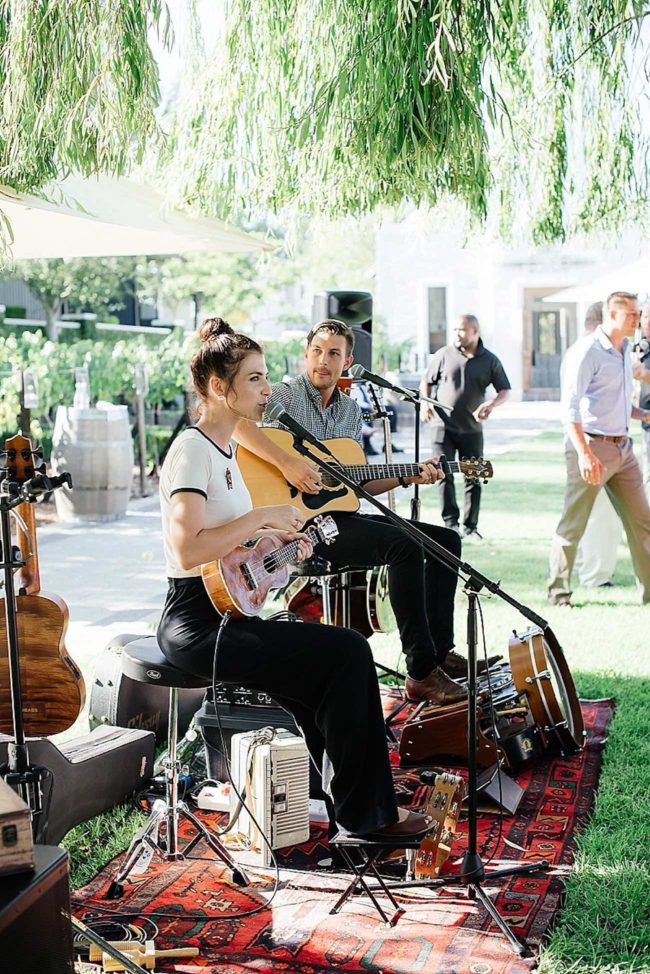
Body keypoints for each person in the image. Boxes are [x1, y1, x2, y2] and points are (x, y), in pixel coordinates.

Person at [157, 317, 432, 841]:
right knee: (347, 651)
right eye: (256, 379)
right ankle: (369, 817)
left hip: (230, 609)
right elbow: (186, 547)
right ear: (220, 388)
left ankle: (350, 809)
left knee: (321, 681)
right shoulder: (192, 449)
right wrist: (260, 519)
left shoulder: (227, 449)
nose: (267, 388)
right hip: (196, 624)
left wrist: (276, 550)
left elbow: (230, 554)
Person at [234, 318, 500, 701]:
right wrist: (287, 464)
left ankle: (440, 653)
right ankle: (421, 672)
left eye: (333, 354)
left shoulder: (348, 412)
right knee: (404, 547)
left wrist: (408, 476)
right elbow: (238, 427)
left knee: (446, 540)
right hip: (298, 528)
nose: (323, 361)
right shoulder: (283, 396)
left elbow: (356, 483)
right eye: (317, 352)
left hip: (338, 517)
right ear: (305, 355)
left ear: (348, 361)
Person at [548, 292, 650, 606]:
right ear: (611, 315)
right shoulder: (586, 352)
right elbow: (570, 409)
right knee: (574, 522)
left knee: (642, 521)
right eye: (631, 314)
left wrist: (641, 414)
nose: (637, 319)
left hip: (623, 449)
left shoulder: (623, 350)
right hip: (592, 446)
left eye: (638, 313)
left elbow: (612, 399)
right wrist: (584, 454)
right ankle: (558, 593)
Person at [420, 314, 511, 541]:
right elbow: (426, 382)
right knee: (444, 474)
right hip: (442, 427)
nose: (457, 334)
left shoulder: (490, 360)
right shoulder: (443, 354)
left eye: (461, 330)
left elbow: (505, 390)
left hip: (472, 429)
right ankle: (450, 524)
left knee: (474, 476)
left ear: (475, 330)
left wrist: (491, 404)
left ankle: (471, 527)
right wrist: (424, 403)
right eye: (455, 330)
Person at [572, 302, 623, 588]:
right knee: (601, 514)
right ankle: (595, 575)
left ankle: (587, 569)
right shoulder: (592, 352)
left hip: (584, 442)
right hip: (594, 442)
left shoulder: (580, 349)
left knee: (586, 512)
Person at [632, 300, 650, 502]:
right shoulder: (640, 348)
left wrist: (647, 375)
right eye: (644, 316)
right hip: (647, 421)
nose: (648, 322)